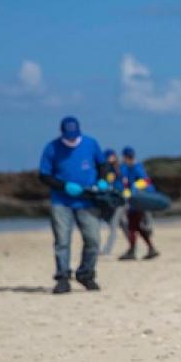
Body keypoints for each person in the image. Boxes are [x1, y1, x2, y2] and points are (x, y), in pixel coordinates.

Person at [38, 116, 106, 294]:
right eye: (68, 136)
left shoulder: (91, 144)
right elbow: (44, 175)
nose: (72, 139)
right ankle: (62, 278)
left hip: (87, 201)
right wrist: (64, 186)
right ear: (62, 133)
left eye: (74, 135)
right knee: (62, 241)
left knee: (93, 240)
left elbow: (103, 165)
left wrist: (103, 181)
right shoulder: (51, 148)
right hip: (61, 202)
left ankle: (86, 273)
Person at [116, 147, 160, 261]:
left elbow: (146, 181)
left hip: (138, 201)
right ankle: (150, 249)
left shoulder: (136, 167)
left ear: (126, 157)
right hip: (135, 200)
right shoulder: (129, 167)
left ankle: (133, 251)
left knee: (132, 226)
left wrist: (132, 189)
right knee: (136, 227)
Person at [99, 148, 125, 256]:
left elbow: (122, 184)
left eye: (112, 156)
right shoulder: (105, 169)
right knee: (124, 225)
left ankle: (107, 250)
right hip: (111, 201)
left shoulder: (119, 169)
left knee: (114, 226)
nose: (111, 158)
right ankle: (133, 246)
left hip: (120, 201)